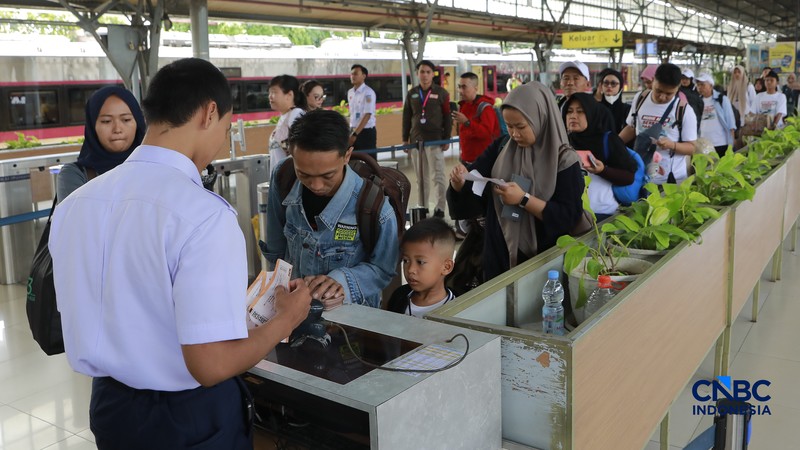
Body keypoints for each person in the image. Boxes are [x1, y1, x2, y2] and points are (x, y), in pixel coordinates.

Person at [48, 58, 312, 449]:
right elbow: (212, 365)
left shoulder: (75, 204)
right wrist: (284, 320)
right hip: (188, 417)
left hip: (110, 407)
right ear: (209, 113)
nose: (221, 142)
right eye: (224, 128)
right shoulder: (204, 216)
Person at [447, 82, 585, 281]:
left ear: (541, 118)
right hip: (498, 251)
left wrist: (524, 199)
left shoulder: (564, 159)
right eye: (509, 126)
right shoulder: (501, 148)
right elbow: (475, 189)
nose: (514, 134)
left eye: (521, 126)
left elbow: (568, 215)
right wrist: (459, 184)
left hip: (544, 260)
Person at [264, 109, 399, 309]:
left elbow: (384, 269)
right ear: (291, 155)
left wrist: (343, 281)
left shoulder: (373, 206)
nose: (316, 185)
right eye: (304, 174)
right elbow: (275, 250)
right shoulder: (283, 176)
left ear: (347, 156)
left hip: (353, 325)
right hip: (294, 316)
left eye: (328, 176)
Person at [57, 86, 146, 204]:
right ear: (92, 127)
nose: (117, 129)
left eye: (126, 120)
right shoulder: (74, 175)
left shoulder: (155, 167)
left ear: (138, 123)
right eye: (106, 121)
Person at [619, 63, 698, 185]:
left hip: (670, 181)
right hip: (640, 176)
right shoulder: (640, 98)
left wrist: (672, 145)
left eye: (668, 94)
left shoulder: (684, 110)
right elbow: (631, 127)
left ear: (677, 88)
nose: (662, 97)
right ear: (653, 80)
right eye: (658, 90)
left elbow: (692, 148)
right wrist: (614, 143)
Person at [563, 93, 637, 221]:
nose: (573, 116)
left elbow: (628, 177)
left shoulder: (608, 140)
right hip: (572, 213)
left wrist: (603, 170)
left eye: (580, 112)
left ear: (591, 113)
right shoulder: (564, 141)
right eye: (569, 112)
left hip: (602, 213)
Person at [402, 60, 453, 219]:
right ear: (417, 74)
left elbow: (447, 117)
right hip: (416, 141)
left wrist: (446, 138)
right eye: (421, 72)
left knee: (438, 176)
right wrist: (405, 139)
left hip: (435, 141)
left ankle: (439, 208)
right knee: (420, 177)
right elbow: (407, 117)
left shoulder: (442, 93)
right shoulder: (412, 93)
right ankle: (422, 206)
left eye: (428, 72)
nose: (424, 75)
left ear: (432, 74)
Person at [387, 218, 456, 317]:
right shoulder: (399, 297)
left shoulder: (456, 309)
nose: (410, 269)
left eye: (420, 262)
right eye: (406, 260)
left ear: (446, 267)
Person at [452, 71, 500, 165]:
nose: (460, 91)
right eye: (459, 86)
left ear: (476, 88)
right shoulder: (463, 106)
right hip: (466, 159)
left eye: (464, 87)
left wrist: (467, 122)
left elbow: (486, 133)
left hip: (483, 161)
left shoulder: (485, 108)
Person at [268, 75, 307, 171]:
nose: (270, 96)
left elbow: (298, 150)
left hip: (288, 178)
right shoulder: (285, 116)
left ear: (289, 95)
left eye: (274, 92)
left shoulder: (296, 114)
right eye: (269, 92)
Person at [695, 72, 737, 157]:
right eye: (698, 85)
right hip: (704, 144)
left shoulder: (721, 99)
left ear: (711, 85)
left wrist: (731, 143)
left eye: (702, 85)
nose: (699, 87)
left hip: (721, 142)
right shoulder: (698, 101)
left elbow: (730, 121)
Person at [347, 64, 378, 153]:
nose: (352, 76)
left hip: (366, 132)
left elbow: (367, 114)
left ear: (364, 76)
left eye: (356, 74)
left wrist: (355, 134)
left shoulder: (368, 92)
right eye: (351, 74)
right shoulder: (350, 92)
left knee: (368, 160)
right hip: (353, 130)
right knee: (353, 160)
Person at [595, 68, 631, 135]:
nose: (609, 86)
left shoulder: (627, 109)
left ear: (620, 87)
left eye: (613, 83)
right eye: (606, 83)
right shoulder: (595, 108)